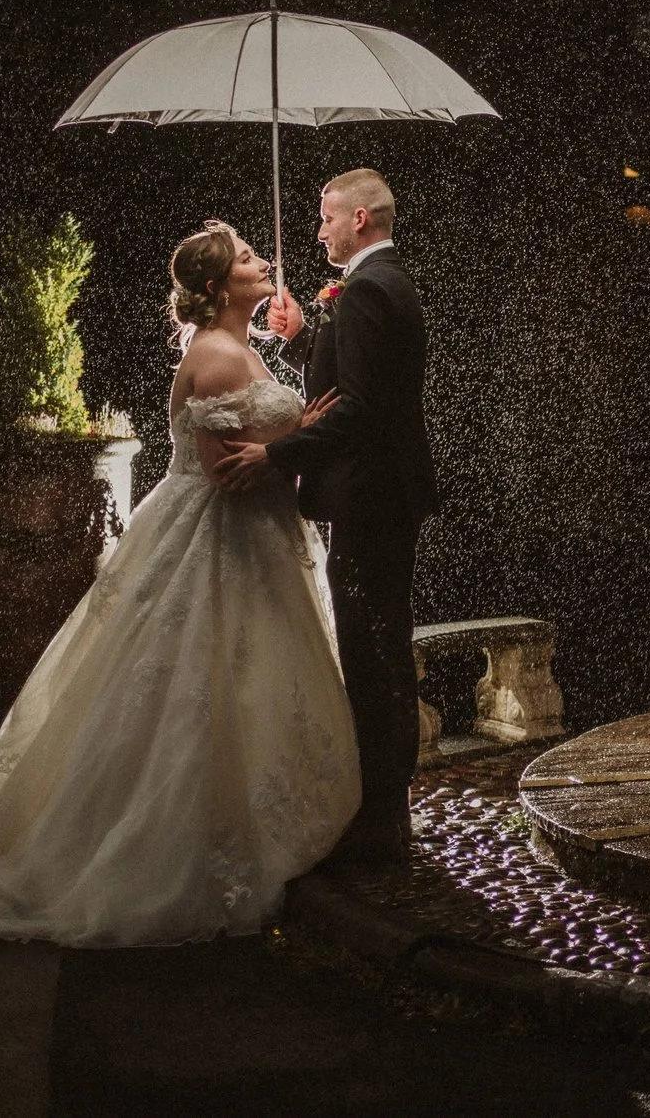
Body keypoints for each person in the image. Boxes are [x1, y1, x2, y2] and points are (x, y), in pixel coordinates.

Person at [0, 223, 357, 945]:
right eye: (249, 258)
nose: (265, 262)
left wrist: (296, 410)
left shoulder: (241, 345)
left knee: (247, 682)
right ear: (219, 287)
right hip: (220, 545)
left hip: (257, 544)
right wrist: (298, 434)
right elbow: (227, 473)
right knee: (204, 685)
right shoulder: (217, 355)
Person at [217, 168, 439, 867]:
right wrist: (304, 336)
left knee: (374, 655)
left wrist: (277, 456)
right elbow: (348, 380)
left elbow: (361, 411)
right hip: (381, 497)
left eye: (328, 218)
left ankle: (382, 815)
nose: (318, 232)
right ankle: (385, 806)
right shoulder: (379, 284)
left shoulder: (370, 289)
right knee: (379, 645)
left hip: (371, 498)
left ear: (362, 222)